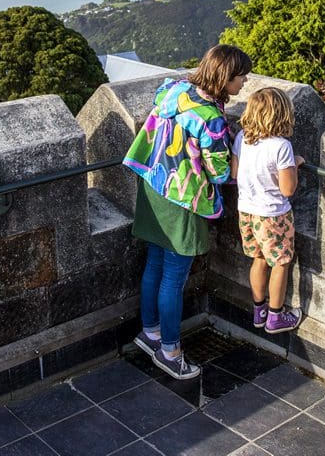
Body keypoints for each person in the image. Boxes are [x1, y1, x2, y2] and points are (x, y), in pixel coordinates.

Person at [123, 44, 252, 380]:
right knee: (174, 278)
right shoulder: (209, 119)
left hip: (153, 185)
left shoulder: (174, 89)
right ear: (225, 77)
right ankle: (170, 351)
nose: (244, 84)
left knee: (154, 261)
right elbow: (221, 173)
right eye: (241, 77)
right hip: (183, 198)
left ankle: (149, 333)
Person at [231, 86, 304, 334]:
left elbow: (234, 172)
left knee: (259, 259)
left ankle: (259, 310)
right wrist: (295, 164)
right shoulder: (281, 146)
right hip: (273, 214)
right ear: (282, 114)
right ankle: (276, 316)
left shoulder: (242, 137)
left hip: (246, 211)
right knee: (281, 263)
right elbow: (288, 189)